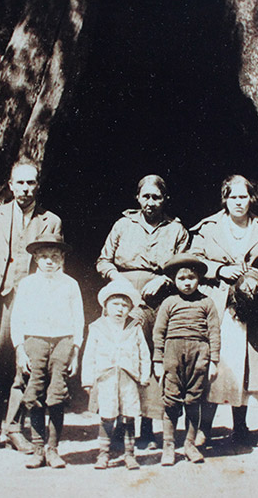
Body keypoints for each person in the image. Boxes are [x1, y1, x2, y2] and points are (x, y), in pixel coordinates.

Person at [0, 160, 61, 457]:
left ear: (38, 185)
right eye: (20, 183)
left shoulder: (50, 221)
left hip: (31, 305)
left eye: (31, 183)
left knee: (25, 370)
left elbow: (55, 266)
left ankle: (14, 428)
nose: (25, 189)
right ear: (10, 185)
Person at [190, 175, 258, 445]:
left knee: (244, 363)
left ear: (251, 198)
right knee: (218, 363)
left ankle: (240, 426)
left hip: (252, 305)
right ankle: (204, 427)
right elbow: (194, 258)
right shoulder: (209, 228)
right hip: (219, 303)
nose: (239, 203)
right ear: (225, 199)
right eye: (233, 197)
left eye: (244, 197)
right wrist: (220, 269)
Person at [96, 174, 189, 448]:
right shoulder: (123, 225)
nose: (150, 203)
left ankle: (148, 428)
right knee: (120, 358)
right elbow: (103, 260)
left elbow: (186, 266)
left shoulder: (176, 230)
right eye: (146, 197)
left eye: (156, 197)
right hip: (123, 297)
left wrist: (164, 279)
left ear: (165, 199)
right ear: (137, 198)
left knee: (149, 360)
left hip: (158, 298)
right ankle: (117, 428)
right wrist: (119, 279)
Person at [10, 233, 85, 468]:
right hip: (35, 341)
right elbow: (17, 318)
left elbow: (78, 319)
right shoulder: (27, 284)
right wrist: (20, 350)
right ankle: (38, 448)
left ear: (62, 257)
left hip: (63, 341)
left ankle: (53, 449)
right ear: (35, 258)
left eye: (54, 256)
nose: (49, 261)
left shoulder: (70, 284)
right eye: (44, 257)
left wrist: (75, 351)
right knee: (33, 393)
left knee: (56, 395)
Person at [153, 253, 221, 466]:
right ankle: (169, 446)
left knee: (193, 401)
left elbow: (214, 333)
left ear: (199, 279)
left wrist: (214, 361)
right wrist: (158, 360)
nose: (187, 283)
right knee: (171, 402)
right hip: (172, 355)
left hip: (199, 355)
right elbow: (159, 332)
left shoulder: (207, 303)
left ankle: (189, 444)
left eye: (191, 277)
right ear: (174, 280)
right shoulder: (169, 303)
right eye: (181, 278)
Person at [81, 281, 151, 471]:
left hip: (129, 378)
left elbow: (144, 353)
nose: (120, 310)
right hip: (106, 379)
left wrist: (145, 375)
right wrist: (87, 380)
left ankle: (129, 454)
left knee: (129, 416)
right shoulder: (97, 328)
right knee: (107, 416)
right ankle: (103, 454)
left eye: (124, 305)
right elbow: (89, 355)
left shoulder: (134, 327)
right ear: (105, 306)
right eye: (115, 304)